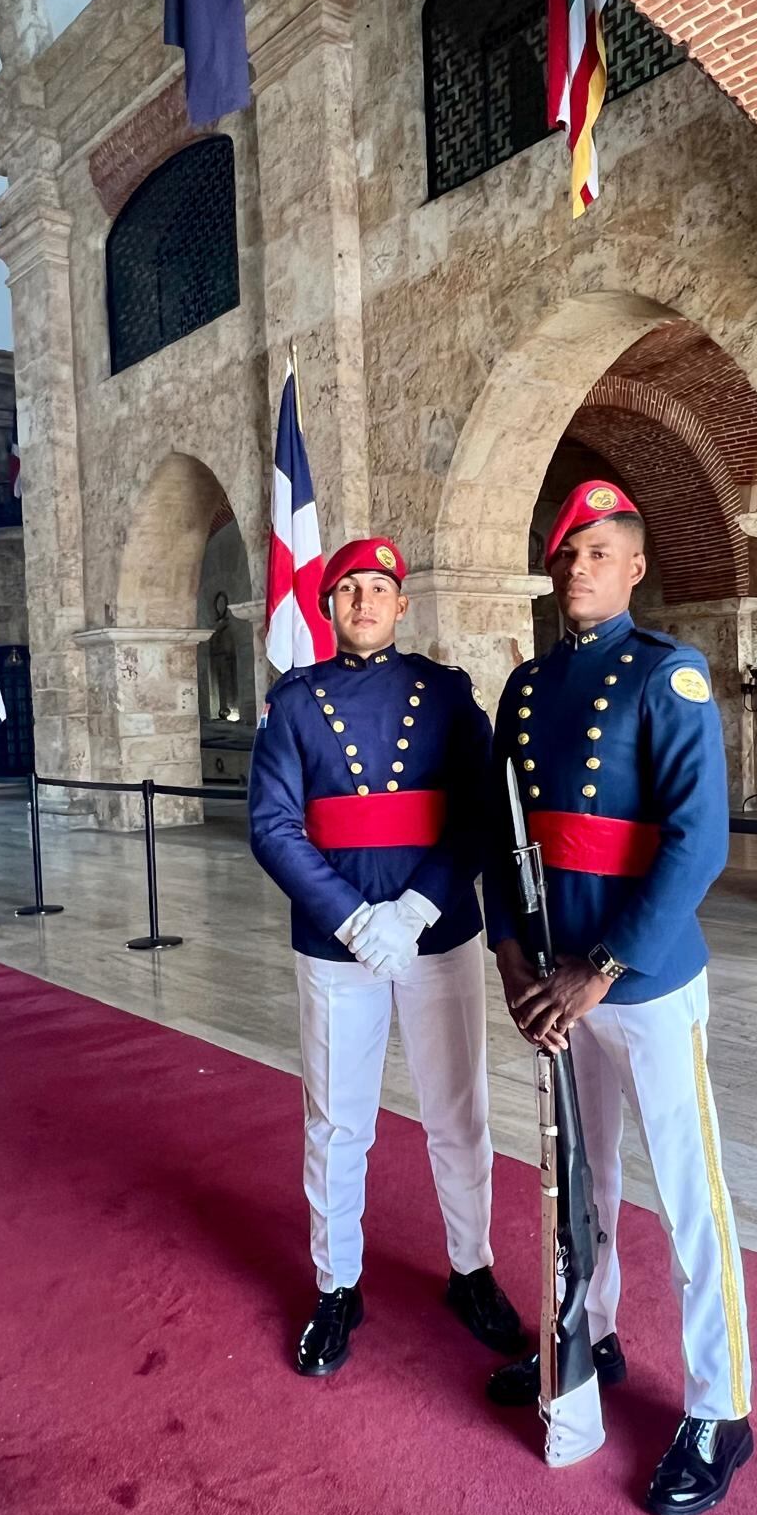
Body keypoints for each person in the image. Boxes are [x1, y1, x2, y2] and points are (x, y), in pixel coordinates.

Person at [483, 481, 753, 1515]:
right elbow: (504, 841)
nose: (579, 568)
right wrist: (513, 960)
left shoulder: (666, 676)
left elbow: (699, 845)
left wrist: (595, 970)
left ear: (634, 566)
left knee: (691, 1195)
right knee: (580, 1188)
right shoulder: (525, 688)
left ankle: (722, 1407)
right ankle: (583, 1338)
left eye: (600, 552)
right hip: (552, 983)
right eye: (567, 554)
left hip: (638, 979)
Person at [249, 537, 524, 1377]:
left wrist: (414, 906)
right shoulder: (294, 703)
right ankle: (338, 1286)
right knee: (337, 1124)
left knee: (458, 1113)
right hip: (338, 946)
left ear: (402, 604)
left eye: (378, 588)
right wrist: (351, 918)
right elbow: (272, 826)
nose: (364, 601)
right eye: (348, 591)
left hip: (434, 933)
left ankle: (471, 1269)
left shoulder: (444, 695)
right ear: (328, 609)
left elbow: (480, 813)